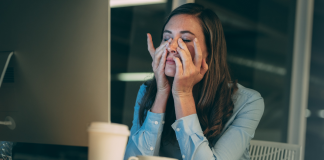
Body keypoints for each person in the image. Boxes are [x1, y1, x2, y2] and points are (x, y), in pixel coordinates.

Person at [124, 3, 264, 160]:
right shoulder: (147, 91)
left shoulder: (248, 102)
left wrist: (182, 94)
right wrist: (162, 92)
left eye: (185, 39)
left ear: (209, 51)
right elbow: (132, 158)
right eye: (166, 38)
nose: (171, 47)